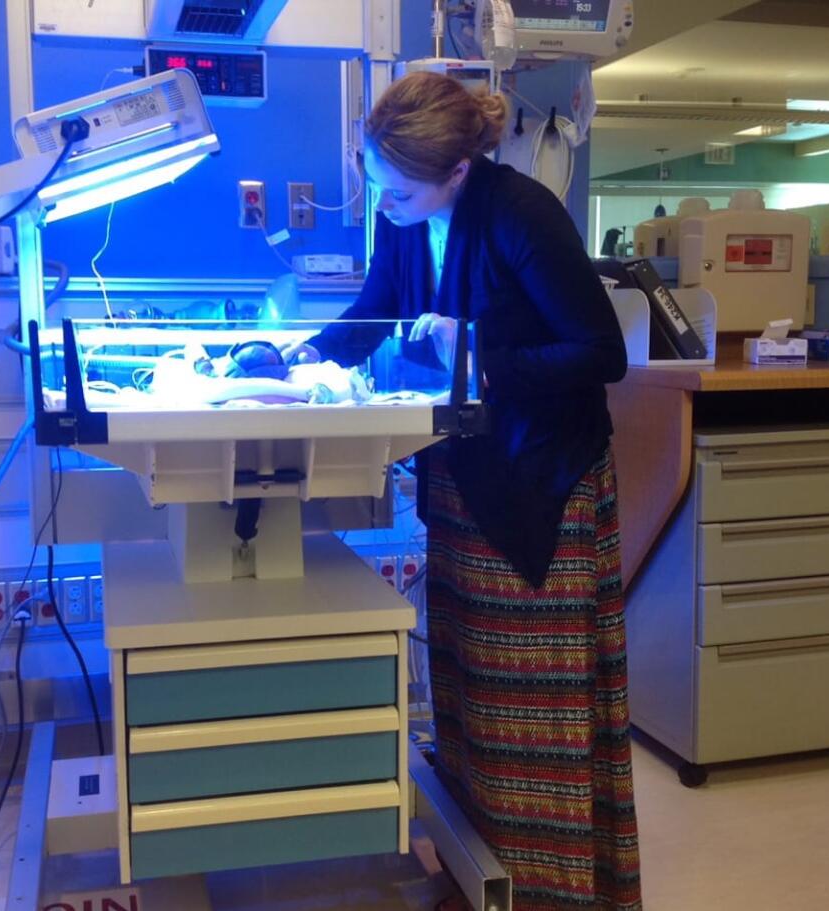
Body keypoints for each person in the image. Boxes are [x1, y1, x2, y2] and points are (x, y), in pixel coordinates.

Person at [297, 72, 640, 910]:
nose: (385, 204)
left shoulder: (521, 214)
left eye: (398, 189)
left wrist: (477, 348)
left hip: (540, 487)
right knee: (472, 687)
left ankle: (555, 888)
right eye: (376, 185)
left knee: (537, 702)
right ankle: (480, 867)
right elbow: (376, 308)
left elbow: (602, 353)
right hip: (461, 480)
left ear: (456, 172)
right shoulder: (408, 223)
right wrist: (294, 357)